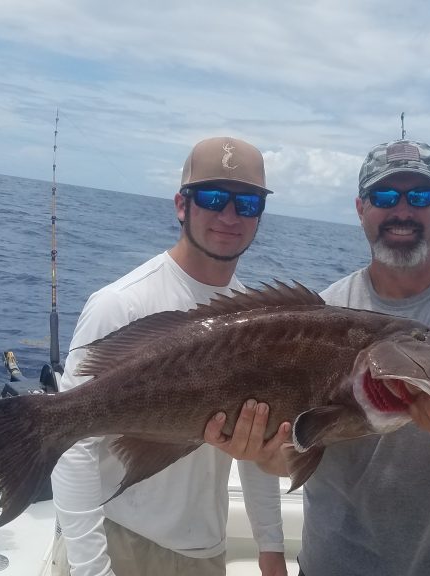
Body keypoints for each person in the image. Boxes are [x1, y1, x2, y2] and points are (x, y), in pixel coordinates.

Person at [206, 139, 430, 575]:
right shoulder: (322, 311)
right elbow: (295, 451)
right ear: (361, 209)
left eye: (419, 196)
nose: (401, 210)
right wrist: (262, 452)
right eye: (384, 197)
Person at [51, 136, 288, 576]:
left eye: (247, 203)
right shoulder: (120, 303)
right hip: (118, 540)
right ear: (183, 204)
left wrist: (271, 546)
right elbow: (73, 444)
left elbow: (259, 434)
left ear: (260, 215)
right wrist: (91, 570)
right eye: (214, 198)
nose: (229, 215)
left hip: (202, 552)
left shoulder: (256, 319)